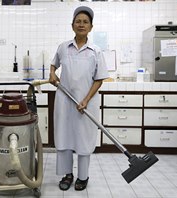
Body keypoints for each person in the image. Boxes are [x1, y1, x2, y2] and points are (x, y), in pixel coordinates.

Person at [49, 6, 109, 191]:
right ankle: (67, 175)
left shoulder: (96, 51)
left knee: (84, 138)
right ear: (72, 25)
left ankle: (83, 177)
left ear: (91, 27)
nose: (81, 25)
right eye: (78, 21)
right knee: (64, 136)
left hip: (86, 102)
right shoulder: (63, 47)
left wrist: (86, 99)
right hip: (65, 101)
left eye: (85, 22)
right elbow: (53, 64)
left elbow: (99, 79)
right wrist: (52, 74)